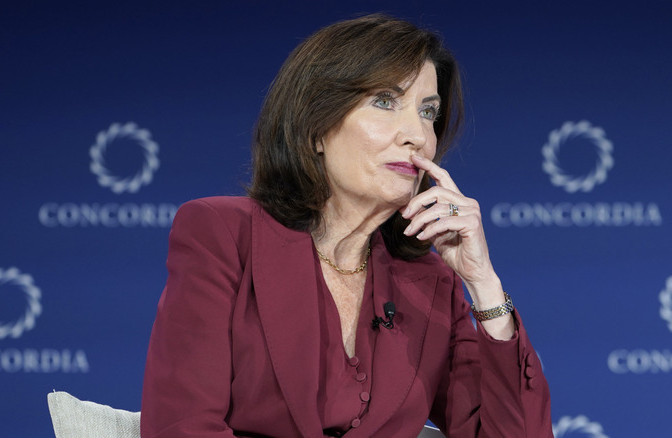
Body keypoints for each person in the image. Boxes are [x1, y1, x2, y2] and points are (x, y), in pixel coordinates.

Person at [141, 13, 553, 438]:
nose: (417, 135)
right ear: (316, 127)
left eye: (428, 112)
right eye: (385, 101)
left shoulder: (431, 283)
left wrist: (482, 281)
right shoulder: (223, 235)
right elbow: (182, 425)